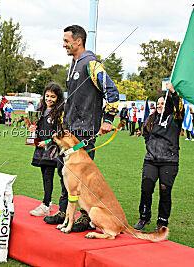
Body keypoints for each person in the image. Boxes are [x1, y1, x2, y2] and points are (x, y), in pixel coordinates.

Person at [43, 25, 119, 232]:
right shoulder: (73, 64)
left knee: (82, 177)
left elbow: (111, 91)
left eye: (67, 41)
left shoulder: (91, 64)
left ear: (79, 41)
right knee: (64, 172)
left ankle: (85, 218)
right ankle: (64, 212)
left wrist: (108, 119)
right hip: (70, 129)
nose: (64, 44)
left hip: (85, 131)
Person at [134, 83, 184, 231]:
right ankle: (144, 217)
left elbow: (180, 107)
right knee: (146, 188)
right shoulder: (151, 119)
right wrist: (150, 147)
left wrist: (173, 92)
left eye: (162, 103)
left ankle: (162, 222)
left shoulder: (175, 118)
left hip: (169, 162)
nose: (160, 105)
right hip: (151, 160)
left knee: (165, 192)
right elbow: (146, 136)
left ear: (168, 103)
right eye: (158, 104)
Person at [29, 83, 64, 216]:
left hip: (52, 148)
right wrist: (33, 129)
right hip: (41, 148)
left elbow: (61, 133)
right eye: (47, 95)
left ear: (58, 97)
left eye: (52, 96)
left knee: (49, 176)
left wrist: (48, 141)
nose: (49, 99)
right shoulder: (40, 110)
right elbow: (37, 127)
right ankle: (47, 204)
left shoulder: (60, 112)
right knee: (44, 176)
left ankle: (46, 204)